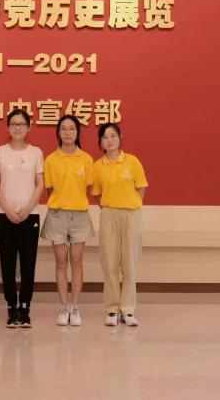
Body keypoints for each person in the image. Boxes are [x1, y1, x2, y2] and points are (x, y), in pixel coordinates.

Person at [0, 108, 44, 328]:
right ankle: (12, 307)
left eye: (22, 124)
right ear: (7, 127)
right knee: (8, 263)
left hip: (31, 216)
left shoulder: (36, 152)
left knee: (28, 264)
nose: (17, 128)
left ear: (28, 127)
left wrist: (28, 208)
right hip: (5, 216)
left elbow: (40, 184)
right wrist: (8, 209)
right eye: (13, 124)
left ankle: (25, 307)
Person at [91, 122, 148, 327]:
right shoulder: (97, 166)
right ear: (100, 142)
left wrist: (130, 205)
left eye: (113, 136)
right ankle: (112, 309)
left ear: (120, 137)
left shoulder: (132, 161)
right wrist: (111, 208)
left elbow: (141, 188)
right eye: (105, 137)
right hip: (109, 215)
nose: (109, 140)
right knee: (110, 263)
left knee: (130, 263)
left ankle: (128, 309)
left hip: (131, 215)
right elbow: (97, 194)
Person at [41, 115, 95, 327]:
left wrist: (74, 201)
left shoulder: (86, 159)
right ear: (58, 132)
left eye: (72, 128)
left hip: (79, 215)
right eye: (63, 128)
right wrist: (62, 202)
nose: (68, 132)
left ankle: (75, 306)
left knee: (77, 261)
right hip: (57, 215)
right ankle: (63, 306)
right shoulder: (51, 160)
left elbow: (88, 187)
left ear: (78, 132)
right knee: (61, 262)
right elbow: (49, 190)